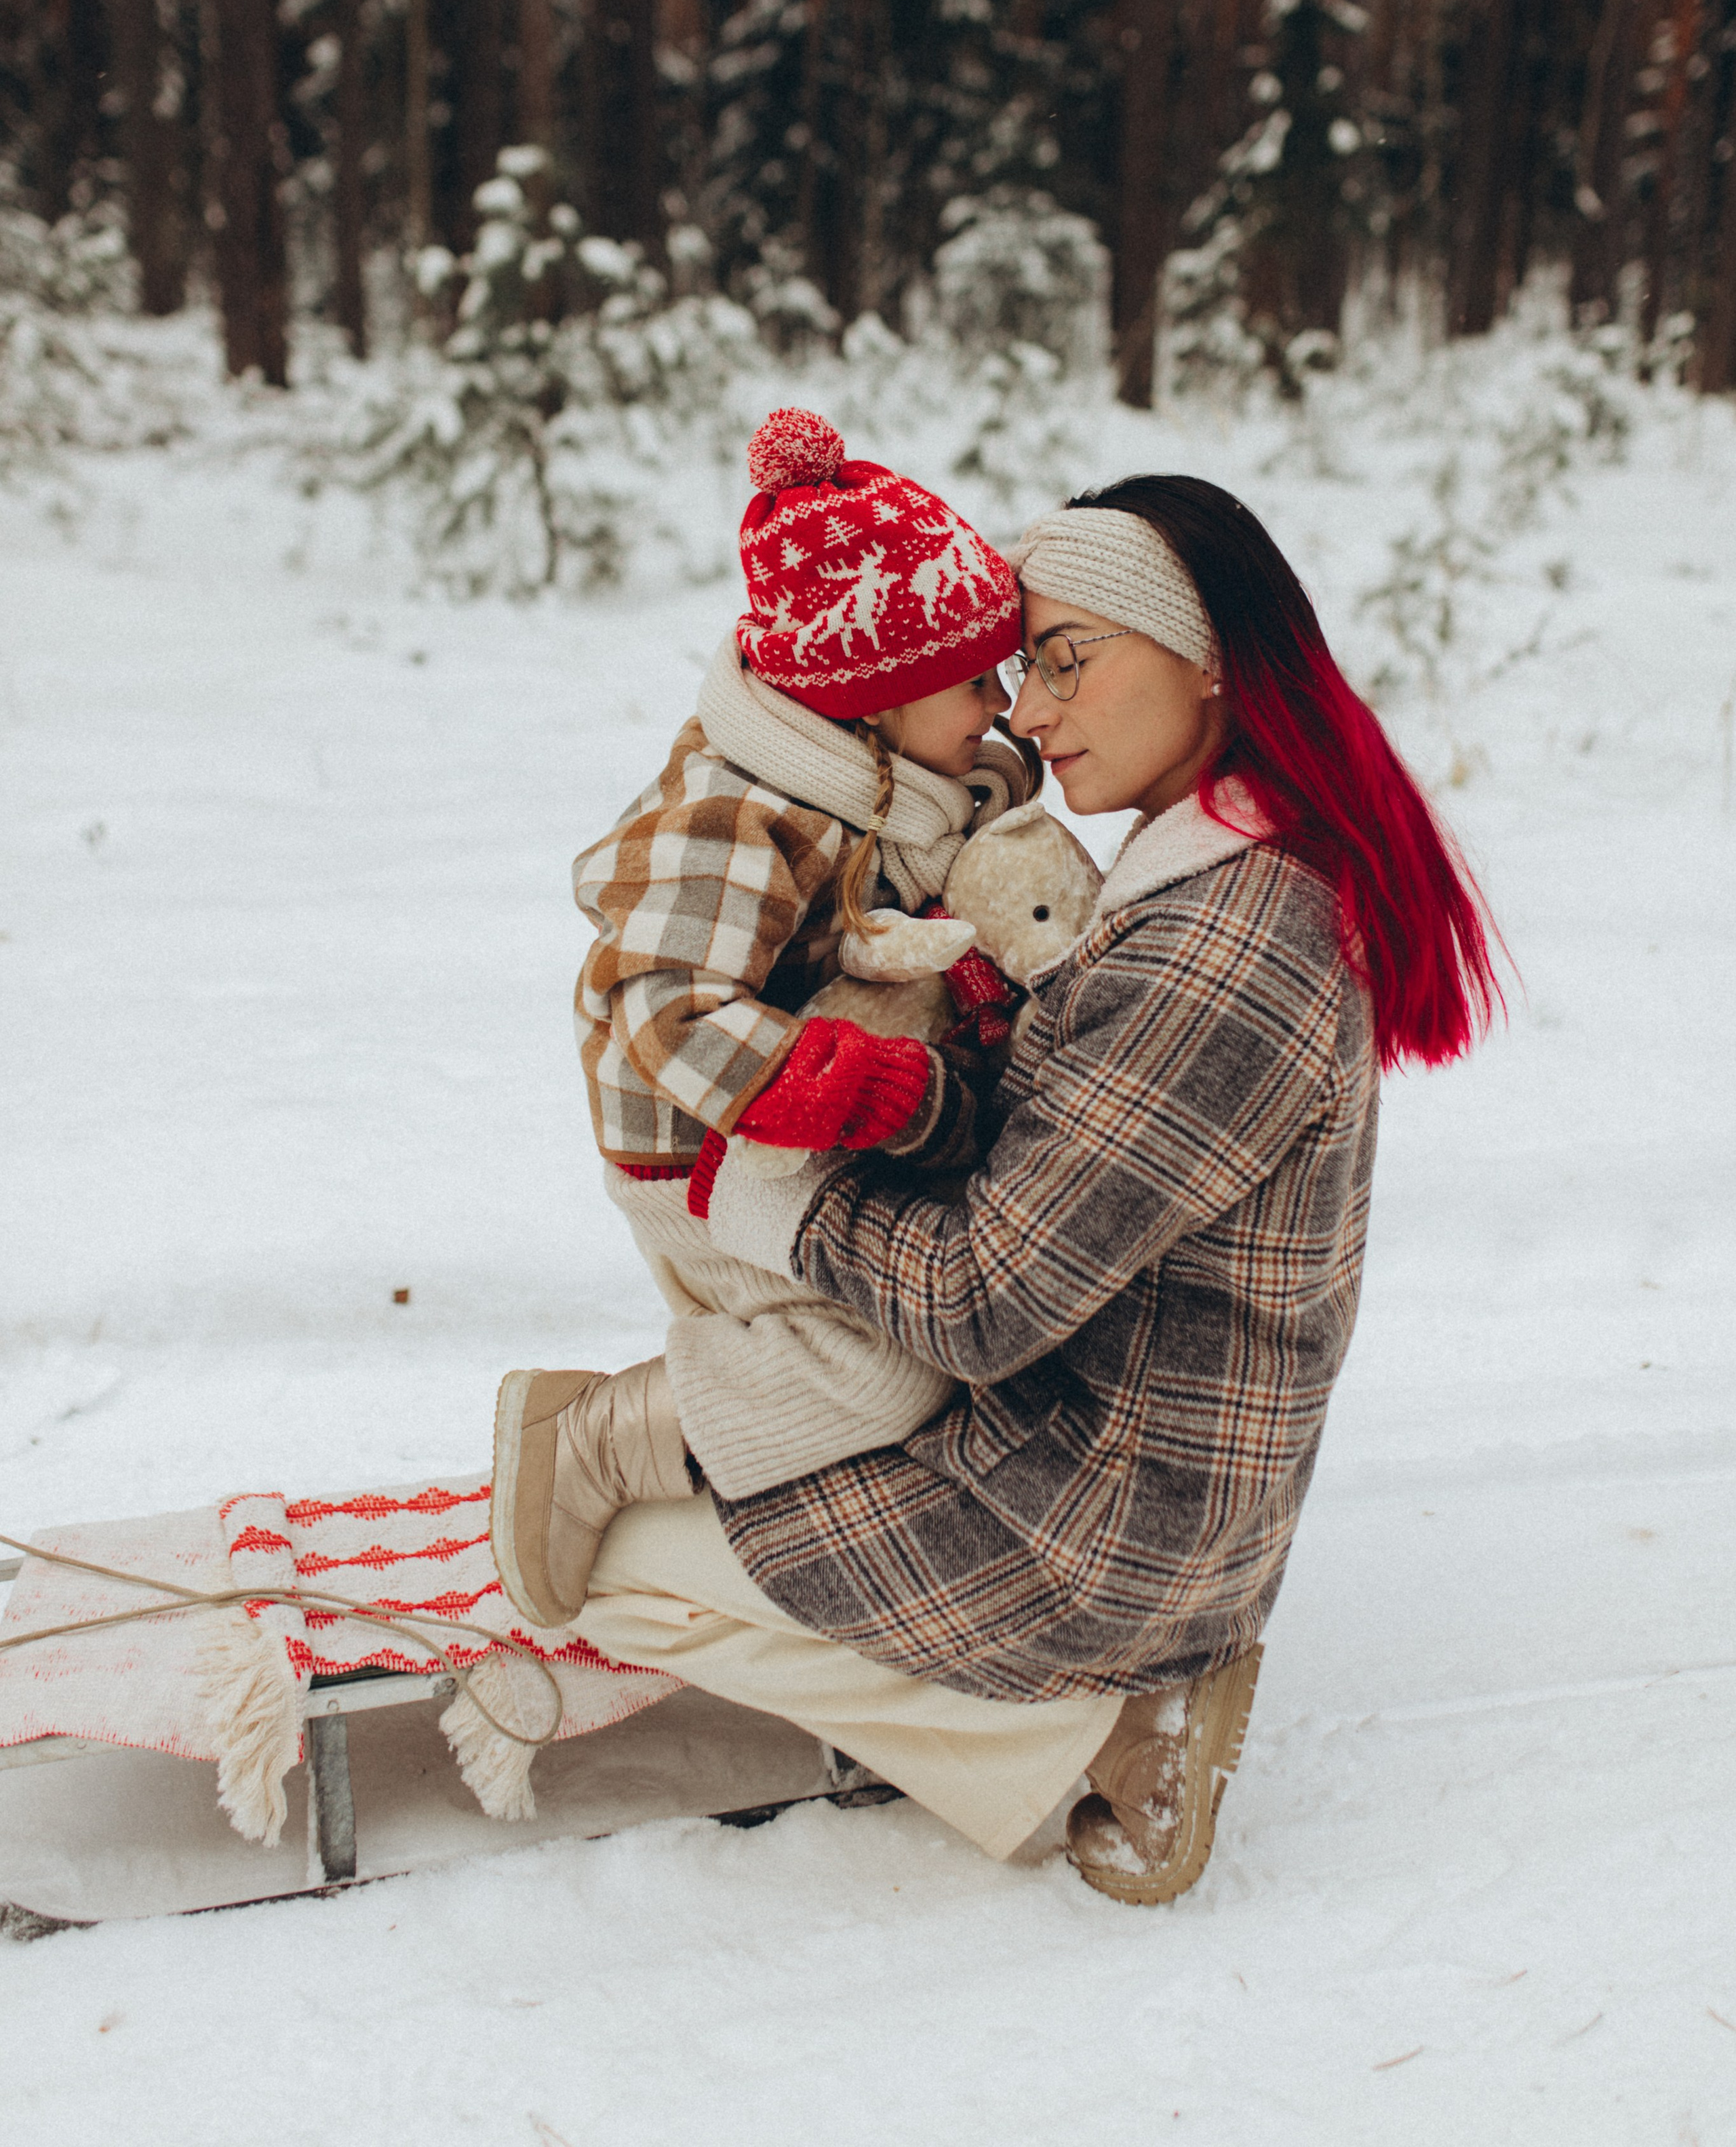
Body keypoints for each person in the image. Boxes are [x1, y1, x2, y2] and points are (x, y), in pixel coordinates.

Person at [492, 473, 1501, 1903]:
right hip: (1133, 1484)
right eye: (1019, 668)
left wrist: (769, 1197)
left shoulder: (1213, 952)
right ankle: (1094, 1710)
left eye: (1065, 656)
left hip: (1078, 1537)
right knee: (805, 1393)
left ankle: (1091, 1718)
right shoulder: (1225, 873)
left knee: (625, 1577)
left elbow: (976, 1300)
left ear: (1204, 651)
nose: (1025, 710)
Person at [490, 405, 1038, 1632]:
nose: (1000, 703)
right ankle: (597, 1443)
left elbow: (950, 793)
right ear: (874, 699)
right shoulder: (740, 816)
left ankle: (757, 1459)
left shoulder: (880, 763)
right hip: (698, 1147)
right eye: (974, 681)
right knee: (887, 1364)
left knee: (929, 1317)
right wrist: (875, 1089)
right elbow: (668, 1010)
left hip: (786, 1135)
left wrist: (999, 784)